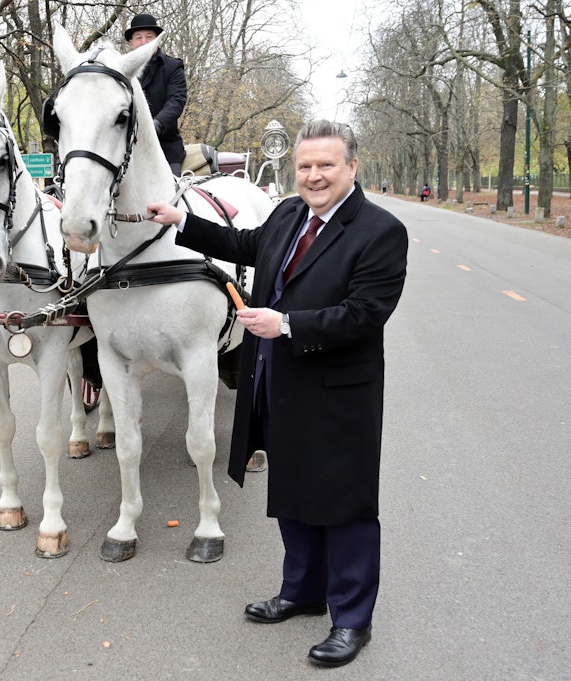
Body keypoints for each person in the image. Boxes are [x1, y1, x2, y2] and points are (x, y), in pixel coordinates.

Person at [146, 120, 408, 668]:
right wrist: (181, 222)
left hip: (339, 393)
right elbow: (244, 244)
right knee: (293, 491)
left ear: (351, 168)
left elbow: (364, 315)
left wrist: (286, 325)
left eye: (326, 165)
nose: (313, 175)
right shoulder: (288, 213)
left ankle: (352, 619)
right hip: (279, 381)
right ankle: (302, 592)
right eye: (306, 165)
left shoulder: (380, 231)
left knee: (345, 505)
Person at [125, 13, 187, 175]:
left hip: (165, 147)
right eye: (138, 37)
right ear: (131, 43)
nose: (144, 42)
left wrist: (155, 126)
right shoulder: (121, 71)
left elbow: (176, 101)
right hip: (127, 149)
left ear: (157, 41)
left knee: (170, 196)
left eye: (149, 37)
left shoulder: (173, 67)